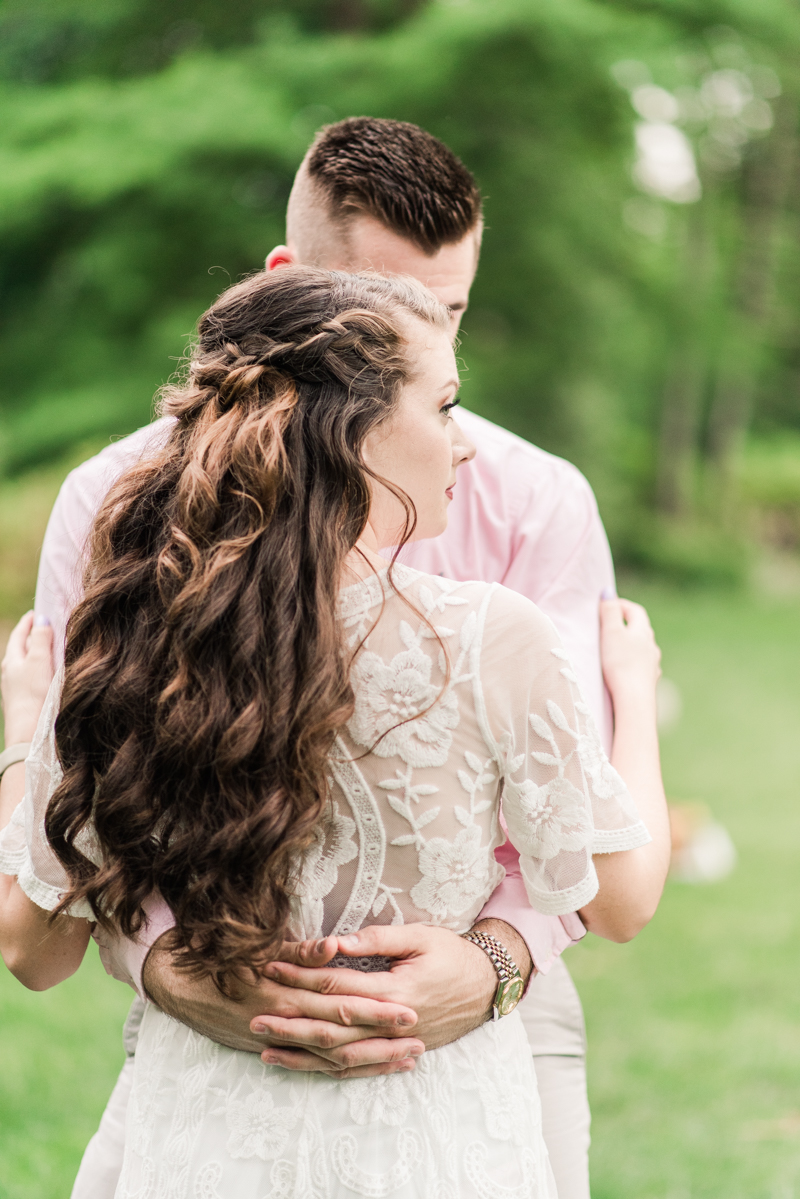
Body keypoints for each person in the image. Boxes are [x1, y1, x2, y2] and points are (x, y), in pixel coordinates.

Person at [28, 118, 648, 1199]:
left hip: (490, 1012)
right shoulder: (114, 506)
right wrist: (175, 967)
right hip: (211, 1000)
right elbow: (88, 826)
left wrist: (491, 964)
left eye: (443, 312)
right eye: (372, 314)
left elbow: (576, 844)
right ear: (288, 292)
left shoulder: (534, 497)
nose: (411, 341)